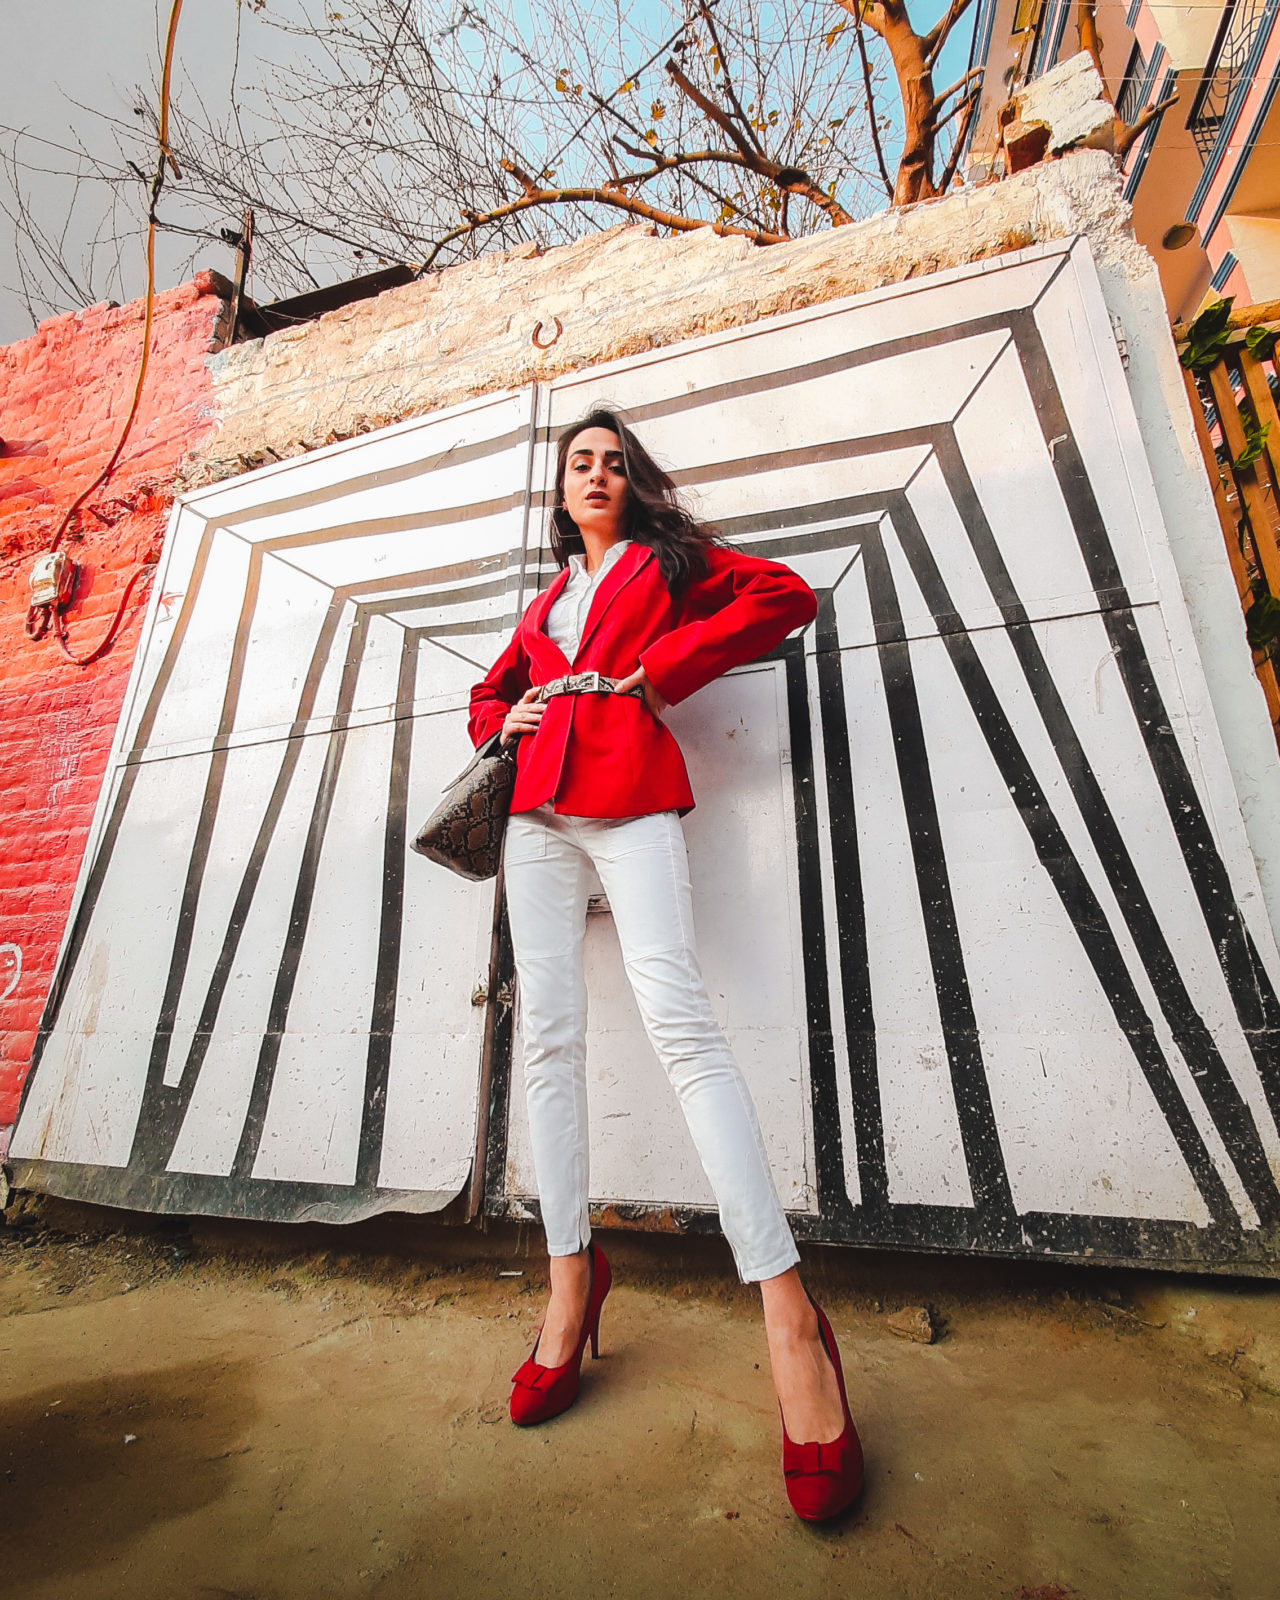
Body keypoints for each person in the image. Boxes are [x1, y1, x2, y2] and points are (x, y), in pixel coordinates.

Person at [468, 408, 862, 1522]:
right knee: (546, 1036)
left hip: (631, 798)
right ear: (559, 492)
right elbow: (484, 699)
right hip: (534, 820)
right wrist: (513, 716)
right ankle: (566, 1282)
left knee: (679, 1026)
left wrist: (656, 671)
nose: (596, 473)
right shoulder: (543, 605)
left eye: (613, 462)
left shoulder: (668, 564)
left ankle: (790, 1317)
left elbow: (784, 596)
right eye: (578, 462)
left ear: (634, 485)